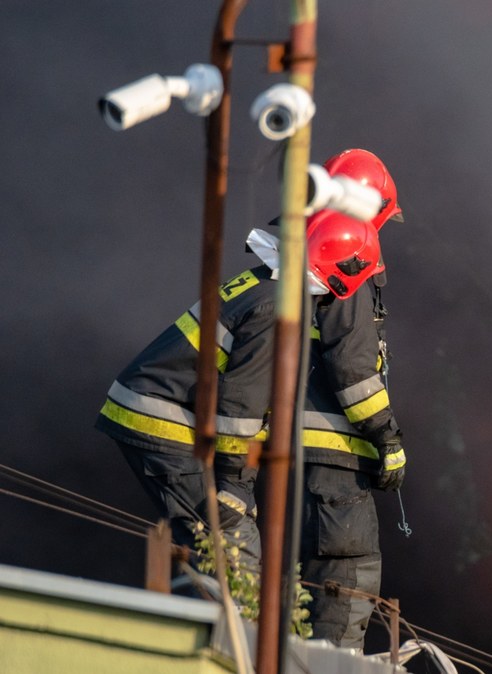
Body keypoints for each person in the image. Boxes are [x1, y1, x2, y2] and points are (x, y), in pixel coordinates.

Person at [96, 210, 386, 575]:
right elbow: (242, 404)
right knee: (234, 547)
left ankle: (216, 620)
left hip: (158, 410)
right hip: (161, 421)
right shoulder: (281, 307)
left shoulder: (269, 280)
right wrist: (235, 486)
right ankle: (224, 628)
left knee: (213, 544)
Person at [291, 149, 408, 649]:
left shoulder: (299, 247)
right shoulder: (345, 255)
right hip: (332, 459)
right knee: (349, 576)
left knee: (300, 589)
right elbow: (354, 368)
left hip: (294, 454)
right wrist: (388, 438)